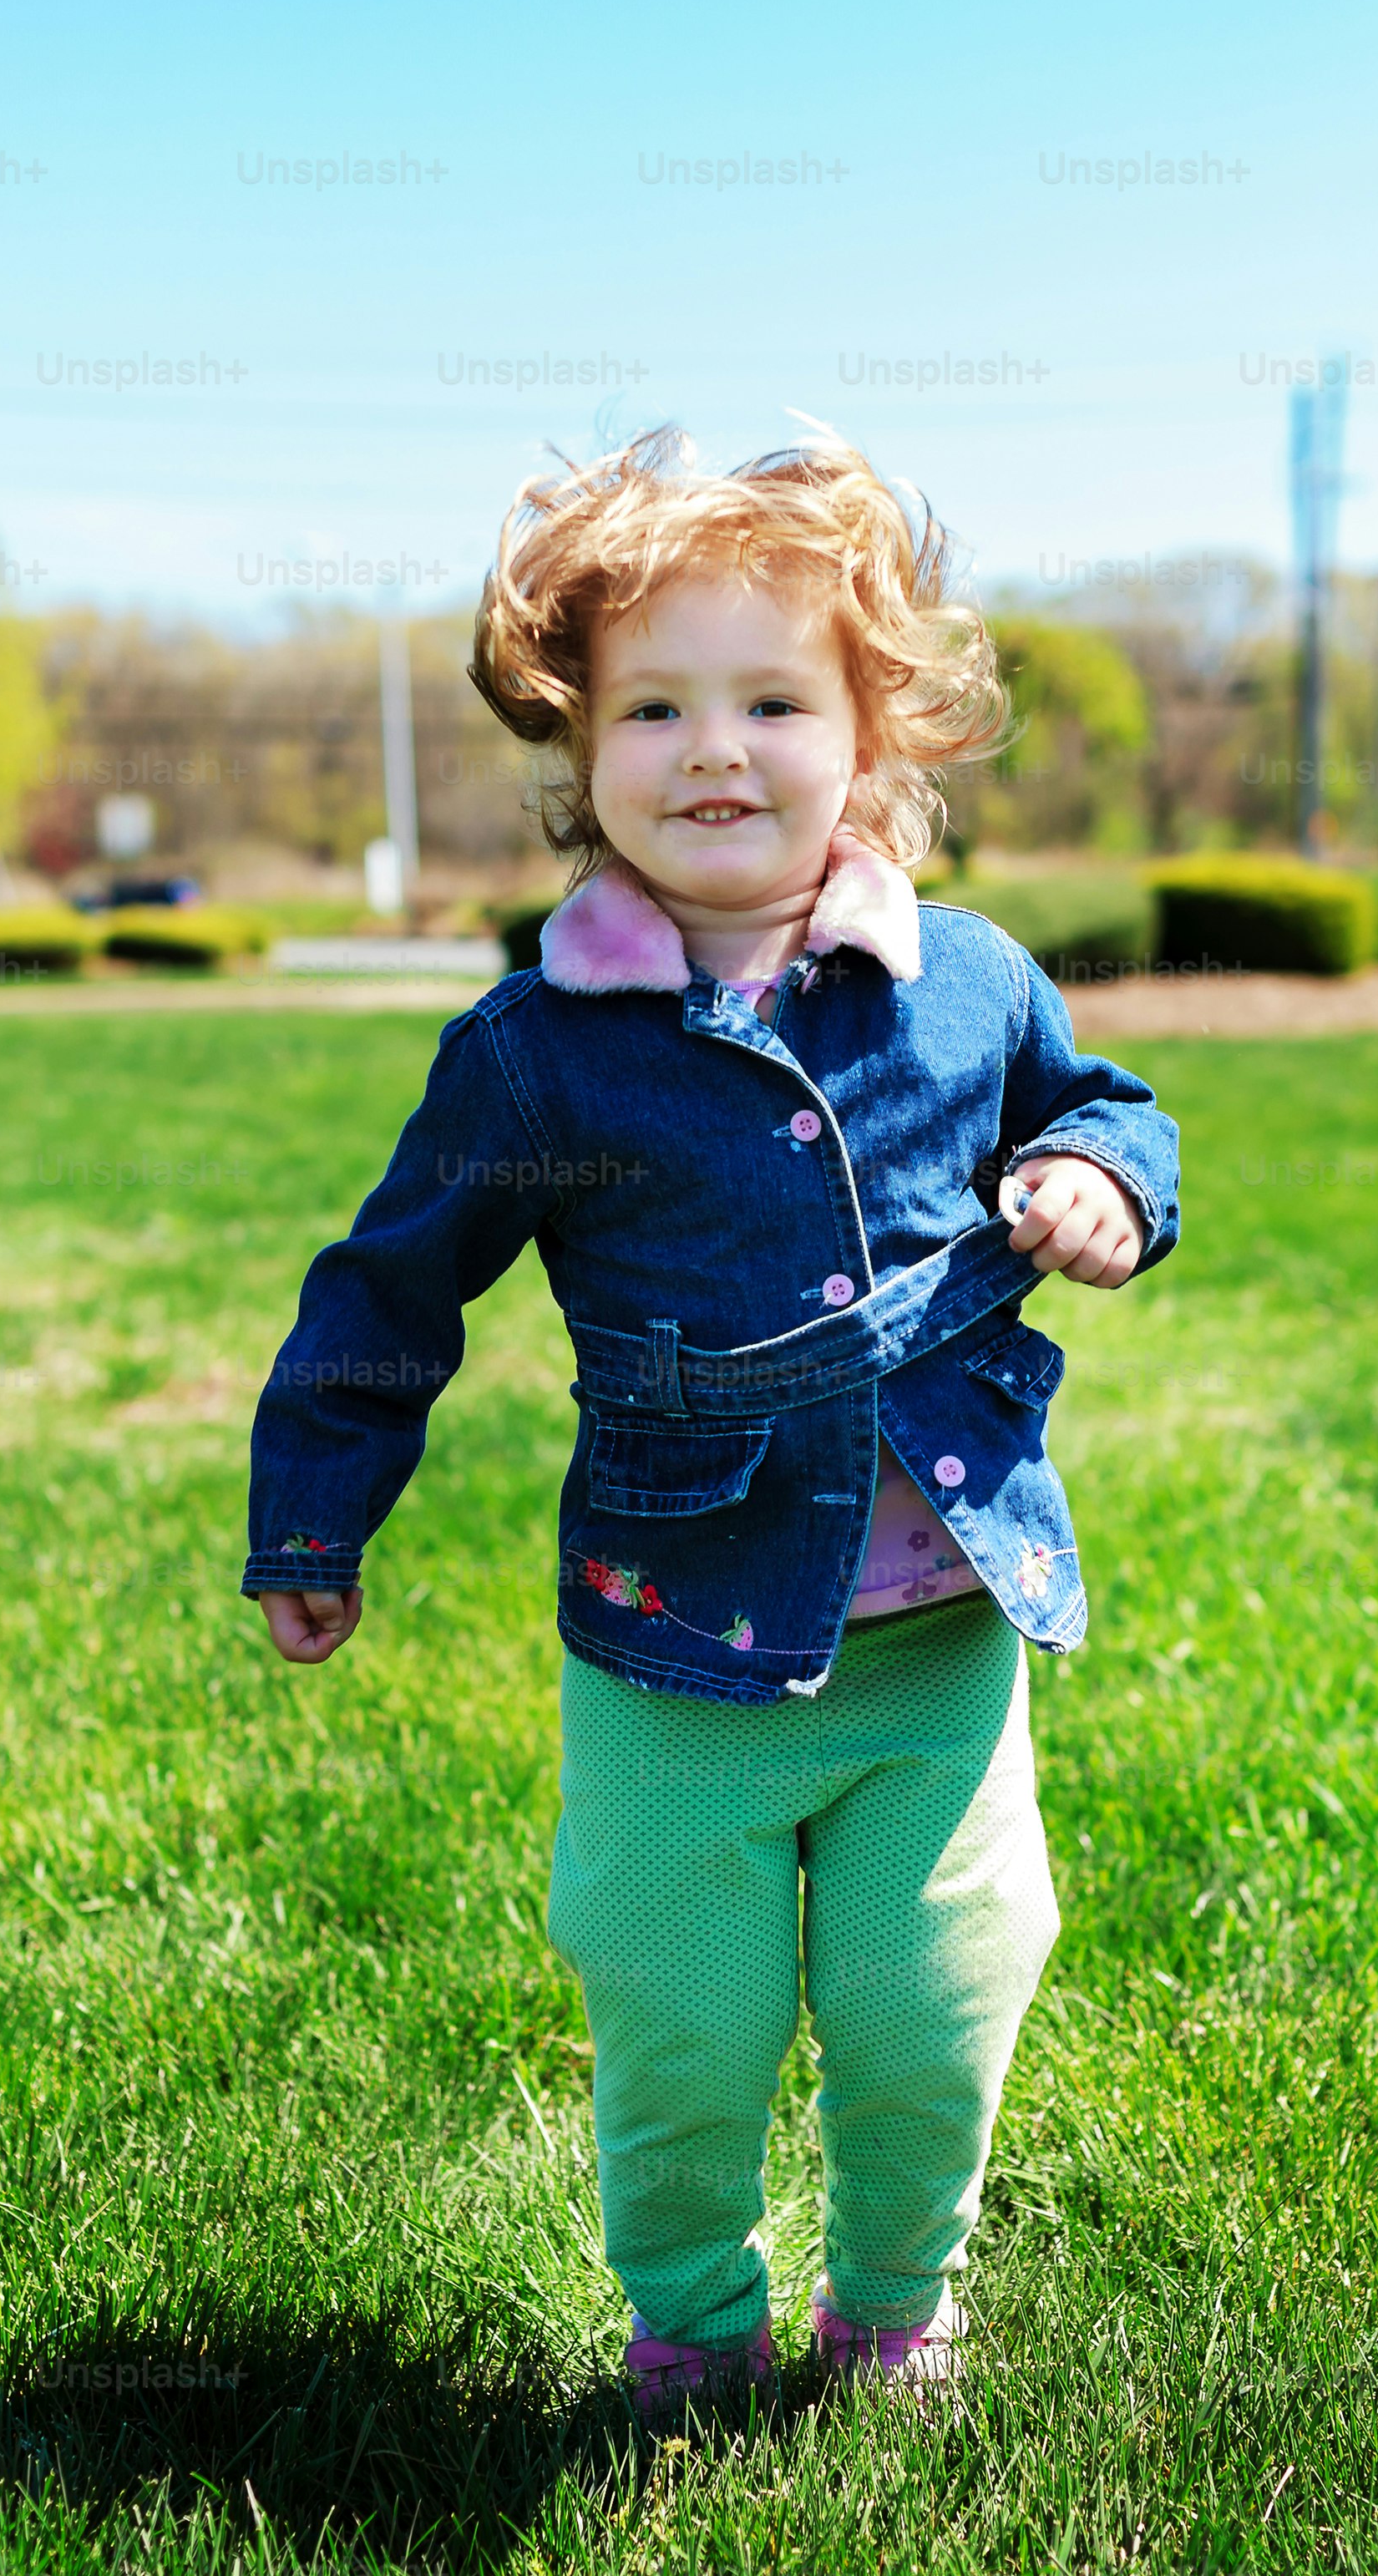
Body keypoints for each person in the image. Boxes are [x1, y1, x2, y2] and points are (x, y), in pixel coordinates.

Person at [239, 423, 1182, 2421]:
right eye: (653, 706)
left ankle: (894, 2309)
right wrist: (315, 1519)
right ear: (580, 751)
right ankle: (689, 2319)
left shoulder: (969, 980)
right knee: (686, 2018)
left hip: (937, 1641)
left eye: (773, 698)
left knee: (934, 2006)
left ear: (874, 732)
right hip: (674, 1639)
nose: (715, 749)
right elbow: (386, 1291)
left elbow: (1108, 1102)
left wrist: (1106, 1179)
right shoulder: (537, 1052)